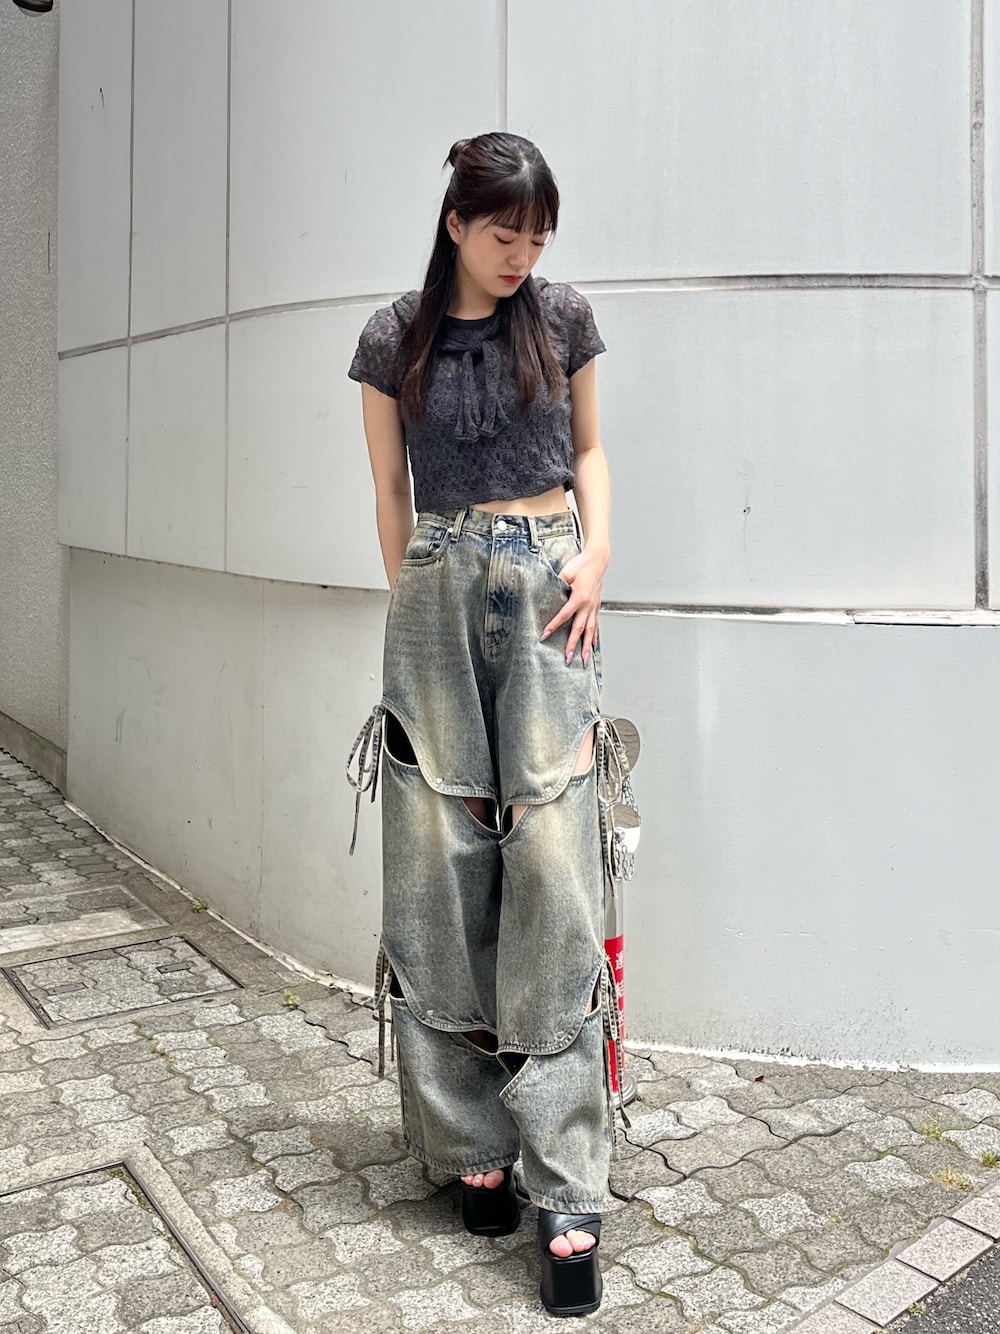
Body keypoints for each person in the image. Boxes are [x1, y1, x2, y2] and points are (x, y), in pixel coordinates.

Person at [345, 130, 638, 1319]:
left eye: (538, 235)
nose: (522, 254)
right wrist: (413, 598)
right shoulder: (393, 336)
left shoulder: (561, 316)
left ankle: (567, 1179)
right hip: (436, 584)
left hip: (552, 580)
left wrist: (598, 551)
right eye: (504, 231)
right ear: (457, 222)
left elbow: (590, 449)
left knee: (555, 864)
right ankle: (471, 1147)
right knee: (438, 862)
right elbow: (389, 490)